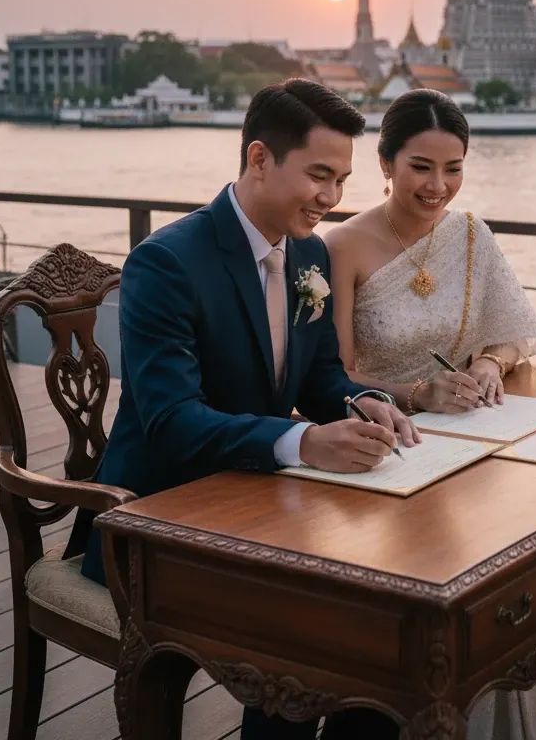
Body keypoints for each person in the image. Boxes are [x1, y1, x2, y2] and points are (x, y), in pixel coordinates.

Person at [68, 79, 417, 740]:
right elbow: (171, 422)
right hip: (155, 518)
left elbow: (319, 376)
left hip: (261, 501)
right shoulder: (166, 262)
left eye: (342, 180)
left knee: (383, 613)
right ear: (260, 159)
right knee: (309, 623)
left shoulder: (309, 253)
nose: (332, 198)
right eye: (319, 176)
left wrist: (364, 402)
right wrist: (304, 443)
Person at [325, 88, 536, 740]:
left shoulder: (470, 235)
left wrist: (489, 366)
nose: (438, 186)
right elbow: (335, 373)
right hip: (387, 443)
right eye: (421, 167)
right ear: (385, 163)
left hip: (477, 438)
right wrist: (417, 394)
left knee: (519, 558)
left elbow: (517, 333)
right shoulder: (343, 246)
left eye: (453, 169)